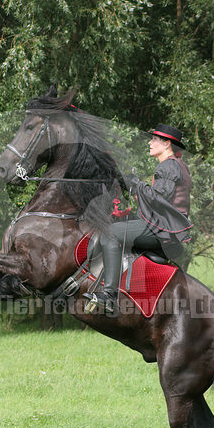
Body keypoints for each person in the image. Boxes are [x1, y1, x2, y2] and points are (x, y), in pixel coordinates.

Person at [85, 123, 193, 313]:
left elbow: (158, 199)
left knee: (109, 234)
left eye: (154, 140)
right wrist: (127, 182)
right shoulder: (175, 166)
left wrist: (135, 184)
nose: (150, 143)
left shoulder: (169, 166)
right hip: (163, 228)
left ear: (167, 143)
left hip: (162, 230)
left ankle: (109, 295)